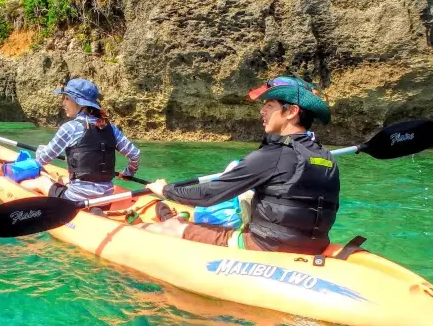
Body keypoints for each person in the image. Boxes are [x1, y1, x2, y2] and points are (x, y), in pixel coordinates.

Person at [145, 75, 339, 254]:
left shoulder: (273, 155)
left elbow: (209, 195)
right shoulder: (326, 156)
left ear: (292, 112)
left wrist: (166, 190)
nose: (262, 111)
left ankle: (170, 223)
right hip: (314, 246)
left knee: (168, 228)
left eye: (270, 105)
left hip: (267, 246)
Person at [30, 78, 141, 203]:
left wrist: (40, 149)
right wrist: (129, 172)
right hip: (106, 199)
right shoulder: (111, 128)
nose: (63, 103)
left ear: (80, 103)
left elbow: (42, 160)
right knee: (63, 179)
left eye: (67, 98)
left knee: (42, 180)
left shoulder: (70, 128)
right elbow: (135, 154)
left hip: (76, 200)